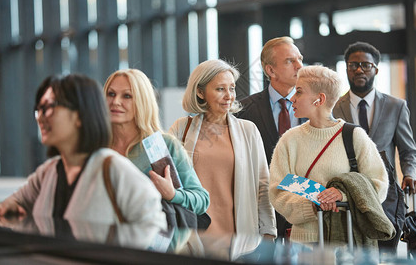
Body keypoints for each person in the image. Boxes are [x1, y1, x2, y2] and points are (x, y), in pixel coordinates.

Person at [0, 74, 166, 228]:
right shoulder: (48, 172)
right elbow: (16, 201)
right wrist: (8, 206)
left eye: (49, 107)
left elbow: (154, 227)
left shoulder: (115, 170)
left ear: (79, 115)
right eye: (39, 109)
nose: (41, 116)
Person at [269, 65, 389, 244]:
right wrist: (313, 203)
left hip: (348, 243)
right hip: (303, 246)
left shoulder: (354, 136)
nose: (292, 98)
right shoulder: (289, 140)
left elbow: (379, 185)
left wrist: (343, 195)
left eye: (299, 92)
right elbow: (277, 190)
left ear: (320, 99)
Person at [169, 59, 276, 239]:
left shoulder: (248, 130)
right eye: (220, 89)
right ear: (200, 92)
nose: (229, 96)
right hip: (192, 236)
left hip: (239, 237)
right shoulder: (181, 129)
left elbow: (263, 185)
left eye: (232, 88)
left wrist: (268, 231)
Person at [332, 41, 416, 251]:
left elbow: (408, 150)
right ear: (346, 68)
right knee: (350, 253)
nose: (359, 69)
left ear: (376, 69)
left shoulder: (396, 106)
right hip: (348, 194)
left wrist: (411, 173)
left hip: (387, 195)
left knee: (385, 251)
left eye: (366, 65)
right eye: (353, 65)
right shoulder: (334, 108)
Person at [103, 69, 209, 217]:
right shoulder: (95, 145)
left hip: (148, 238)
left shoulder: (162, 145)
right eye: (111, 94)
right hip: (97, 237)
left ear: (142, 101)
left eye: (127, 96)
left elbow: (202, 200)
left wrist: (172, 194)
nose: (116, 102)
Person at [236, 36, 303, 238]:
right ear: (270, 71)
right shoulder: (243, 110)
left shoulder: (315, 106)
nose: (300, 66)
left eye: (300, 58)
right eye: (290, 61)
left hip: (305, 209)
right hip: (263, 208)